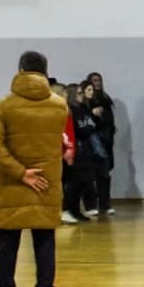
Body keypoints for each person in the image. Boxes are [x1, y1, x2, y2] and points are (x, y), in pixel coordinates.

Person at [0, 50, 65, 287]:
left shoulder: (3, 106)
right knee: (45, 246)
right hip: (46, 183)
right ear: (45, 71)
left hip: (13, 183)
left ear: (20, 69)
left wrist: (21, 172)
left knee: (7, 249)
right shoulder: (59, 105)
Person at [62, 83, 103, 225]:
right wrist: (90, 126)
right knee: (75, 183)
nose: (82, 95)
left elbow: (92, 124)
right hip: (77, 149)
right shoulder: (71, 110)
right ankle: (70, 210)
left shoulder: (83, 108)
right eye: (79, 93)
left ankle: (77, 210)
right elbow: (83, 129)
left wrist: (90, 125)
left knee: (83, 182)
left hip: (86, 149)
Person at [83, 72, 117, 216]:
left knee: (105, 175)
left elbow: (109, 120)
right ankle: (90, 205)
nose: (97, 83)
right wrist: (93, 113)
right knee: (90, 175)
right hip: (92, 140)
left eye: (99, 80)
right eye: (94, 81)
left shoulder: (105, 98)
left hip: (105, 140)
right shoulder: (86, 102)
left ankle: (105, 203)